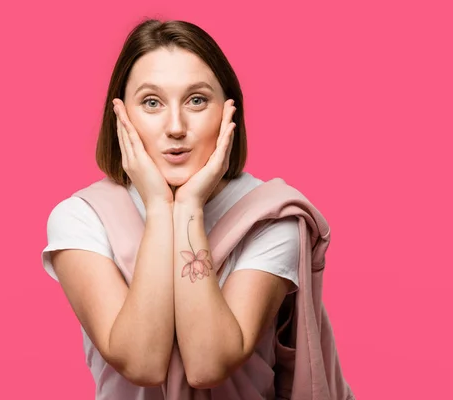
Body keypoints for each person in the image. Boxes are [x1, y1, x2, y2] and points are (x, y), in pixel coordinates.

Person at [41, 18, 301, 399]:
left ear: (230, 113)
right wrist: (161, 207)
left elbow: (207, 365)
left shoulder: (270, 218)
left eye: (197, 100)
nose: (175, 126)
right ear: (121, 115)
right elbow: (142, 362)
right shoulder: (81, 218)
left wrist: (189, 207)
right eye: (151, 102)